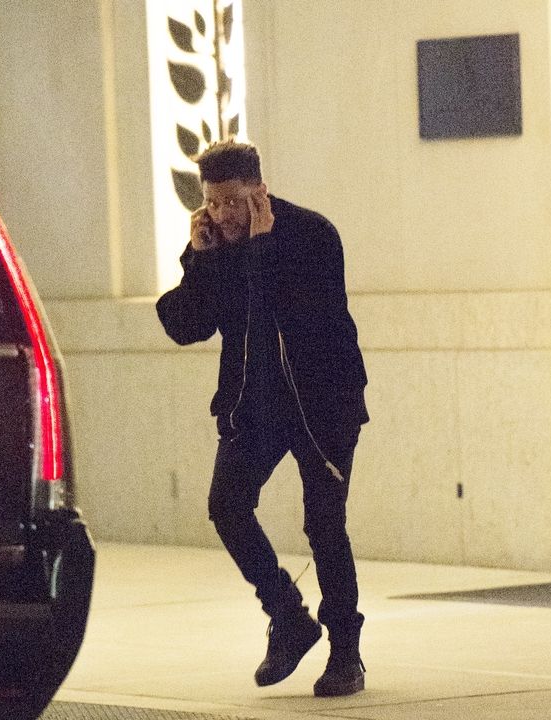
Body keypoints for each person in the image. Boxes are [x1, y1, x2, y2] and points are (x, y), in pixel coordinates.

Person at [156, 140, 368, 697]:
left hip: (323, 402)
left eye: (233, 201)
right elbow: (186, 326)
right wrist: (200, 259)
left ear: (259, 192)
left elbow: (302, 315)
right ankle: (288, 617)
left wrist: (259, 246)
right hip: (257, 405)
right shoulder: (217, 245)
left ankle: (346, 651)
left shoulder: (311, 235)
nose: (223, 214)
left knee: (324, 524)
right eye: (213, 202)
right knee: (226, 505)